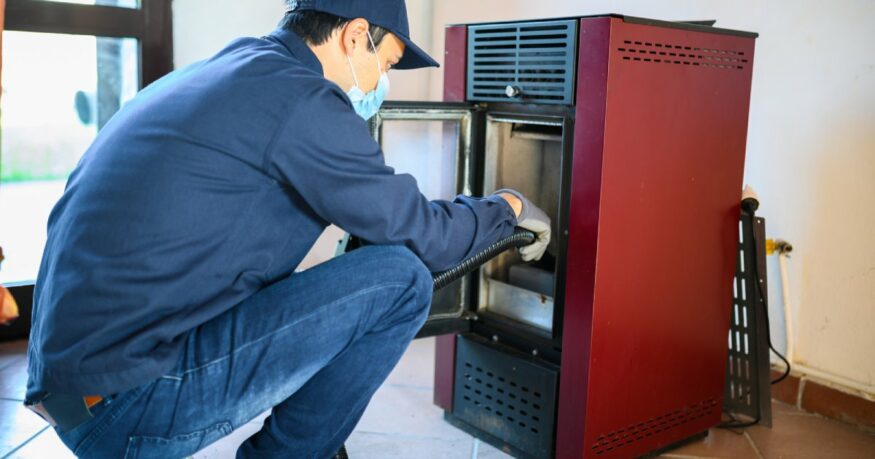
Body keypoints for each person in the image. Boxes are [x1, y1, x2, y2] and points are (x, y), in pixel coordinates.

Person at [24, 0, 551, 457]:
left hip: (76, 394)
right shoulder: (304, 100)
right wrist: (507, 205)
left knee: (353, 273)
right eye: (385, 63)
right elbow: (430, 240)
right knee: (401, 278)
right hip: (126, 410)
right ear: (354, 37)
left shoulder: (231, 69)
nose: (380, 85)